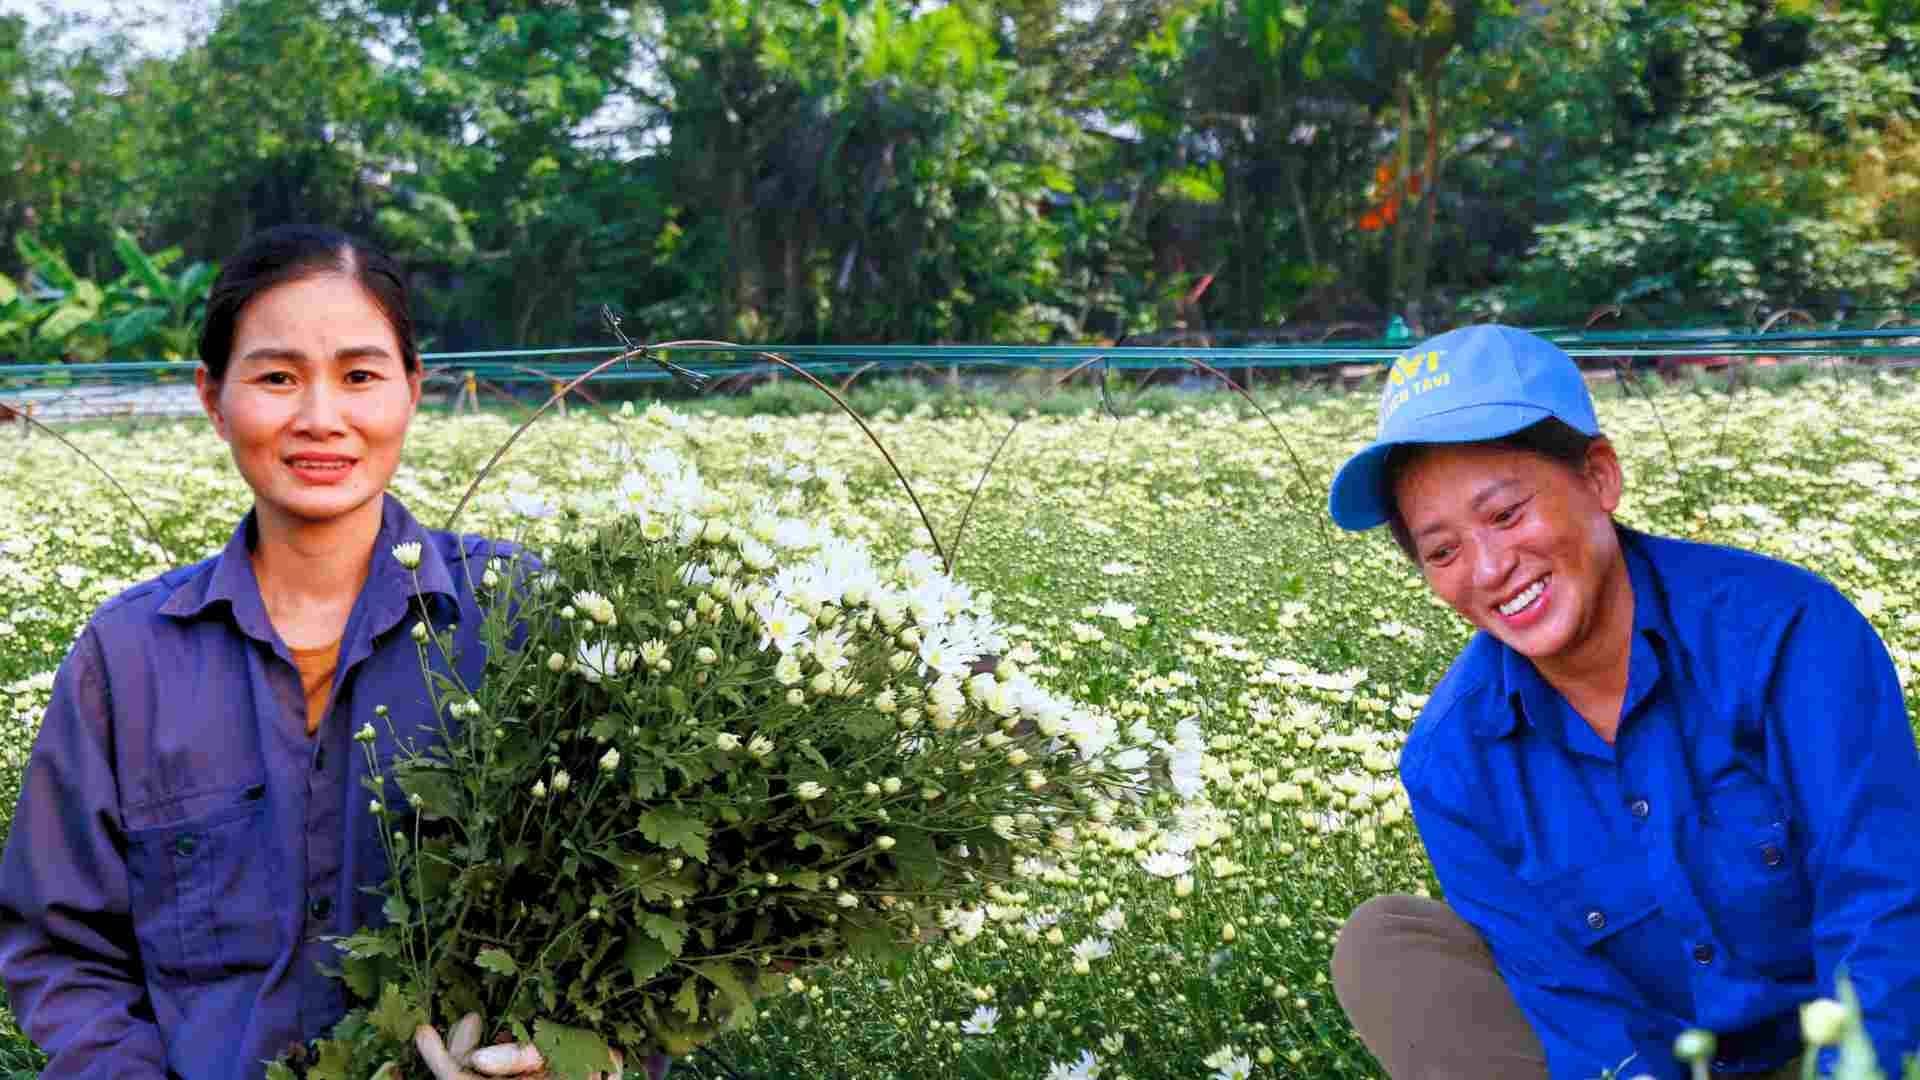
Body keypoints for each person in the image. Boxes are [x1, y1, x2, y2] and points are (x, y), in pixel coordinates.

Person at [0, 225, 643, 1080]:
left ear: (413, 390)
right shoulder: (128, 656)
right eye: (275, 377)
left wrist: (577, 1053)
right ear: (212, 398)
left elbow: (644, 914)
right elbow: (60, 947)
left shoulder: (528, 621)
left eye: (360, 375)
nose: (319, 418)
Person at [1323, 325, 1920, 1080]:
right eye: (1442, 551)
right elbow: (1574, 1011)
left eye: (1506, 514)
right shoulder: (1452, 762)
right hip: (1662, 1059)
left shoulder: (1786, 633)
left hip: (1853, 1036)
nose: (1490, 568)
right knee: (1386, 944)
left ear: (1600, 477)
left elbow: (1883, 905)